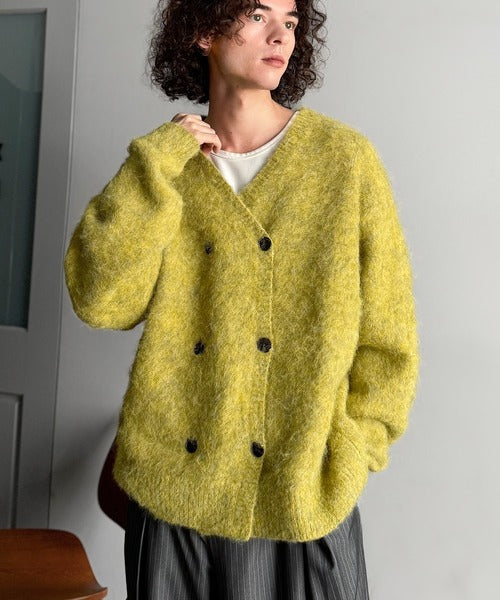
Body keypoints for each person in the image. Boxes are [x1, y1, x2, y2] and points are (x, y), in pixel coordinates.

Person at [64, 0, 420, 598]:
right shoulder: (168, 166)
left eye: (291, 21)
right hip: (172, 498)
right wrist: (156, 161)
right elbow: (101, 300)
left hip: (301, 498)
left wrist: (353, 451)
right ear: (204, 31)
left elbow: (390, 335)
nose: (282, 35)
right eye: (258, 15)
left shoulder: (343, 161)